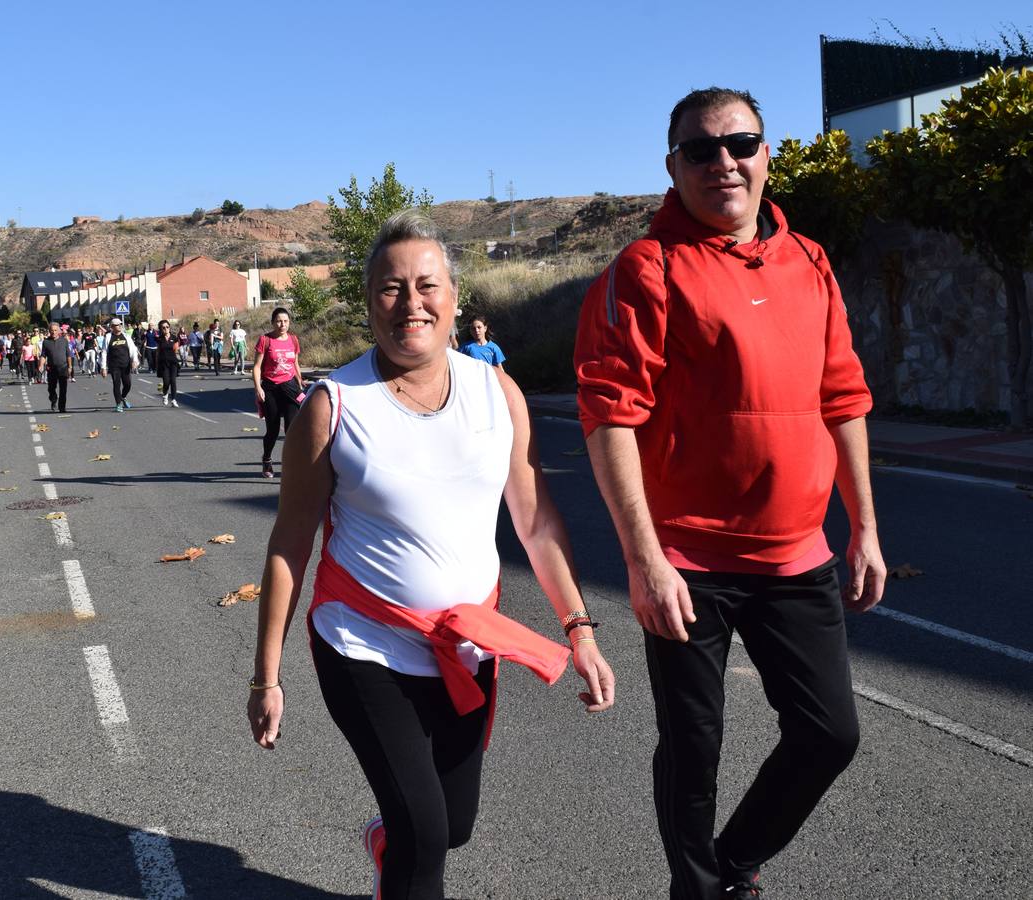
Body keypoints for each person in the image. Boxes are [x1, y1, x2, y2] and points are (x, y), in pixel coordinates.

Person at [574, 87, 886, 900]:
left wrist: (864, 530)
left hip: (795, 555)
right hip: (689, 561)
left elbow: (843, 399)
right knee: (693, 745)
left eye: (740, 144)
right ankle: (698, 888)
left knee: (828, 735)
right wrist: (644, 564)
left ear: (765, 154)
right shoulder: (647, 269)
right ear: (673, 167)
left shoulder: (809, 260)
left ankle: (731, 859)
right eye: (701, 151)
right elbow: (610, 421)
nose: (724, 163)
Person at [248, 211, 615, 900]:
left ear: (453, 297)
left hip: (465, 648)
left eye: (426, 285)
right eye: (390, 288)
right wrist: (265, 678)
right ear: (367, 302)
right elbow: (289, 544)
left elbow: (535, 523)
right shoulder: (331, 408)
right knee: (422, 837)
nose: (409, 304)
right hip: (363, 646)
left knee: (451, 826)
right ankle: (401, 846)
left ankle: (386, 841)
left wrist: (580, 630)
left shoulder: (495, 393)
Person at [252, 308, 305, 478]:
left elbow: (295, 364)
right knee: (273, 430)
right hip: (271, 389)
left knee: (292, 429)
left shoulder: (293, 340)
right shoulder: (265, 340)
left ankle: (290, 464)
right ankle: (267, 460)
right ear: (273, 322)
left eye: (286, 321)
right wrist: (258, 388)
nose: (282, 324)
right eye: (279, 321)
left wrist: (300, 381)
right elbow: (257, 367)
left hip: (290, 388)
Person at [101, 317, 139, 412]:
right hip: (114, 366)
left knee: (127, 384)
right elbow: (104, 352)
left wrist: (134, 360)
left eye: (120, 324)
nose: (120, 326)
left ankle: (123, 397)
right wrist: (103, 367)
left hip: (125, 365)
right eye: (117, 325)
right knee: (116, 384)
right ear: (112, 327)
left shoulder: (126, 336)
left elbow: (133, 349)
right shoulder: (108, 337)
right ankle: (118, 404)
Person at [40, 322, 71, 413]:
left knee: (63, 389)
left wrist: (70, 367)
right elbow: (43, 355)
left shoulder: (64, 341)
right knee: (51, 388)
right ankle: (53, 399)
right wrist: (41, 365)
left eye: (55, 330)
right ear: (49, 331)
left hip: (63, 368)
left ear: (59, 331)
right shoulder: (46, 342)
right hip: (51, 369)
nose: (53, 332)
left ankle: (62, 407)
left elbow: (68, 355)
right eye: (52, 330)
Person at [155, 320, 182, 407]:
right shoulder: (159, 339)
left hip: (173, 362)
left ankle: (173, 399)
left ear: (169, 327)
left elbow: (176, 350)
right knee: (166, 382)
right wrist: (156, 363)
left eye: (167, 327)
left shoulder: (174, 337)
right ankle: (165, 394)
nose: (166, 329)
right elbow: (158, 351)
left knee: (173, 381)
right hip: (163, 363)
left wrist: (179, 358)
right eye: (163, 328)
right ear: (161, 329)